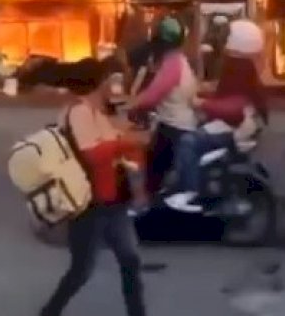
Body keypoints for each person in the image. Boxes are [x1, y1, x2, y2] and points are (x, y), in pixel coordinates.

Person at [41, 57, 149, 316]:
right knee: (81, 271)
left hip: (113, 200)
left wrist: (128, 142)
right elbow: (92, 154)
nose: (111, 85)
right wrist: (128, 142)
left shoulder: (97, 111)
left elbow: (114, 147)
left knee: (130, 260)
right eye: (107, 79)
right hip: (90, 203)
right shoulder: (79, 111)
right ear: (97, 83)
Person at [164, 18, 268, 212]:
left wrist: (203, 104)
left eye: (227, 36)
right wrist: (203, 95)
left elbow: (235, 107)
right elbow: (227, 96)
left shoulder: (240, 67)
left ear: (238, 42)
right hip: (234, 126)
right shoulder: (242, 66)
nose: (222, 41)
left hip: (233, 129)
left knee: (188, 141)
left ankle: (189, 191)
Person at [126, 16, 199, 193]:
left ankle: (149, 212)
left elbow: (153, 96)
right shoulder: (178, 61)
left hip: (173, 129)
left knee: (153, 176)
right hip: (181, 125)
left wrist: (132, 106)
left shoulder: (172, 64)